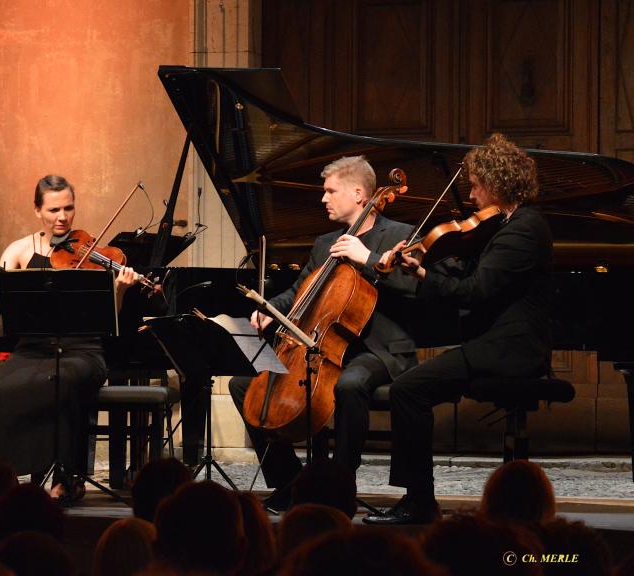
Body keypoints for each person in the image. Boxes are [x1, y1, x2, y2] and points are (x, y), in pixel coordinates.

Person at [365, 133, 552, 525]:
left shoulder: (521, 230)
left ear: (498, 182)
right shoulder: (510, 225)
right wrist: (423, 267)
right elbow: (470, 274)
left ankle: (419, 501)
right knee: (411, 389)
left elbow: (475, 292)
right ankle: (418, 498)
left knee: (408, 389)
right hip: (494, 344)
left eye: (477, 184)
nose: (471, 194)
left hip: (507, 351)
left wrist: (420, 275)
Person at [229, 155, 418, 510]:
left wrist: (368, 258)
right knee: (244, 386)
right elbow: (300, 289)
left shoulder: (399, 234)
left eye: (331, 191)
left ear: (360, 194)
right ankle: (291, 481)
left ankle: (339, 483)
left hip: (378, 349)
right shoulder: (325, 243)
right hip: (321, 345)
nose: (323, 198)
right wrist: (270, 309)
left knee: (349, 386)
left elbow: (414, 287)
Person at [0, 174, 136, 502]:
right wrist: (4, 297)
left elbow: (109, 318)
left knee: (60, 380)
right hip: (33, 350)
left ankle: (65, 479)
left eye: (68, 208)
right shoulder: (20, 249)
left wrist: (118, 290)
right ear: (38, 211)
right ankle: (0, 477)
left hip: (84, 352)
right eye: (53, 210)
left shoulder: (91, 252)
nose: (62, 217)